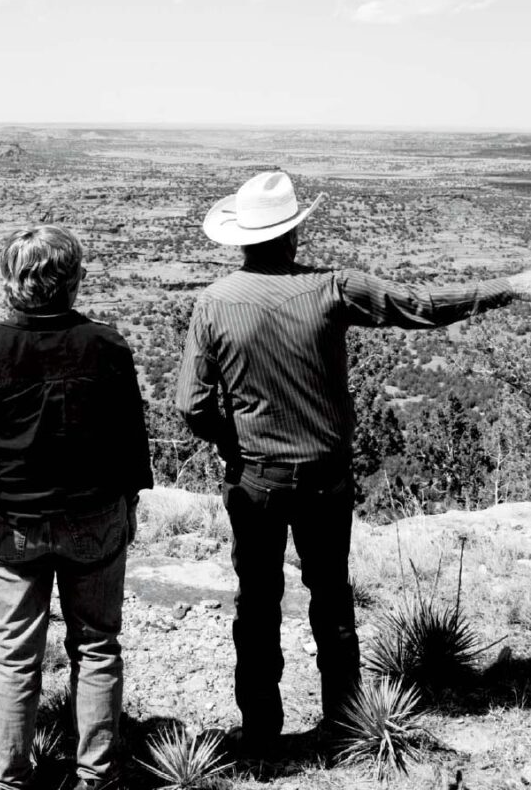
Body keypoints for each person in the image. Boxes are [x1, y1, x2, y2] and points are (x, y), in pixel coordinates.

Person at [175, 171, 531, 758]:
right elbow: (421, 306)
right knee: (332, 599)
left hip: (256, 479)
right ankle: (345, 724)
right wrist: (509, 287)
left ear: (242, 239)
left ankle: (261, 734)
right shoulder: (332, 288)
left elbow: (191, 405)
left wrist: (230, 444)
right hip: (325, 478)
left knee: (257, 604)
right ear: (292, 235)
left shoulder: (214, 303)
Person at [0, 224, 152, 790]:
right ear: (74, 280)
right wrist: (130, 500)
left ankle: (11, 776)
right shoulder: (106, 345)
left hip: (12, 519)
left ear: (10, 282)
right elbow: (129, 436)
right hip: (94, 514)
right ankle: (97, 773)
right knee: (97, 646)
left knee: (15, 650)